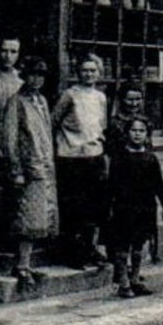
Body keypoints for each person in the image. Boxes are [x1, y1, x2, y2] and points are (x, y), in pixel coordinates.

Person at [0, 56, 59, 291]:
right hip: (28, 168)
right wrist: (15, 169)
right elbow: (10, 138)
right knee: (28, 218)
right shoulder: (16, 101)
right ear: (25, 76)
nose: (37, 80)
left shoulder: (42, 101)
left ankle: (28, 262)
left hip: (45, 166)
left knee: (41, 217)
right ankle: (21, 264)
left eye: (41, 75)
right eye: (33, 75)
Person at [51, 54, 111, 268]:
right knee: (73, 207)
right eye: (85, 70)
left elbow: (101, 126)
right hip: (70, 157)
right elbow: (54, 121)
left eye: (93, 70)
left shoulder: (101, 97)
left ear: (99, 72)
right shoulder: (69, 95)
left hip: (93, 157)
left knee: (92, 207)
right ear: (78, 72)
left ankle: (89, 249)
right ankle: (71, 253)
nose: (89, 74)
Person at [103, 117, 163, 298]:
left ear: (147, 135)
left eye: (142, 131)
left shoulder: (150, 158)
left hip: (145, 207)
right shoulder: (119, 158)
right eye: (134, 130)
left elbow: (158, 184)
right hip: (124, 208)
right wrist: (109, 206)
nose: (137, 134)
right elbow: (111, 185)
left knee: (139, 245)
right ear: (127, 133)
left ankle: (135, 279)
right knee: (123, 245)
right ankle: (123, 282)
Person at [105, 80, 148, 160]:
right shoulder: (114, 123)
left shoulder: (145, 121)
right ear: (122, 99)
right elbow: (109, 151)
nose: (134, 103)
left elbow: (148, 147)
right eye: (130, 100)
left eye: (138, 99)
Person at [0, 38, 24, 110]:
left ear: (18, 55)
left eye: (13, 52)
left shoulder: (21, 78)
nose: (8, 56)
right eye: (4, 51)